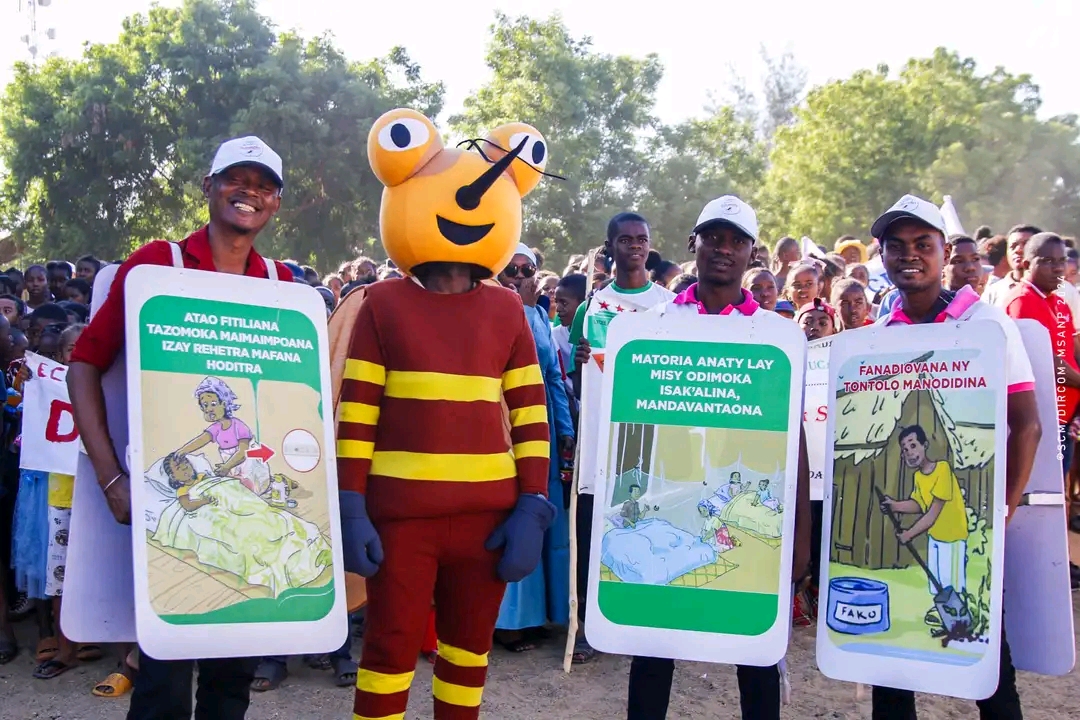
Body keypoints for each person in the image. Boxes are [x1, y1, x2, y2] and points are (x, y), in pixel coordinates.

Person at [333, 110, 555, 720]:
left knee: (469, 652)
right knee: (390, 647)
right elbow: (359, 413)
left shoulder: (509, 311)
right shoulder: (380, 304)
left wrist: (534, 505)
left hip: (488, 519)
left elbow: (530, 413)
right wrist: (351, 505)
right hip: (401, 519)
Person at [67, 135, 291, 720]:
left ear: (276, 204)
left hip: (241, 504)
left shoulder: (281, 283)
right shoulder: (156, 264)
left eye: (264, 185)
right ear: (209, 187)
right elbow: (84, 366)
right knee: (162, 682)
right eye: (236, 179)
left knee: (230, 683)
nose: (250, 193)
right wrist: (111, 477)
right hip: (167, 498)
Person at [628, 195, 811, 720]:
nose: (723, 249)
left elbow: (792, 437)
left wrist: (799, 536)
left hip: (745, 505)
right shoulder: (655, 324)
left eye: (736, 240)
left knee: (751, 649)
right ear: (694, 244)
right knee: (654, 646)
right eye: (713, 237)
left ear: (752, 252)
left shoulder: (778, 336)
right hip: (670, 503)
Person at [868, 194, 1041, 720]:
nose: (909, 256)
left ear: (945, 253)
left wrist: (1006, 508)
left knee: (985, 656)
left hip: (969, 533)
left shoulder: (986, 324)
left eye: (923, 244)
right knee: (892, 660)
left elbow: (1027, 424)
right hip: (927, 538)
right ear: (883, 257)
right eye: (895, 247)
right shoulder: (877, 337)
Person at [568, 211, 675, 664]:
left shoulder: (671, 304)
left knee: (646, 525)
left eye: (642, 239)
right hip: (599, 443)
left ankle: (644, 622)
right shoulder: (591, 307)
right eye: (626, 239)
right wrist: (580, 362)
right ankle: (593, 628)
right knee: (596, 530)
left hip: (652, 440)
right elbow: (577, 382)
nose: (635, 246)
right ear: (609, 247)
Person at [494, 245, 575, 653]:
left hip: (540, 430)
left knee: (546, 520)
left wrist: (564, 428)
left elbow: (553, 377)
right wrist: (522, 308)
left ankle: (542, 613)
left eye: (528, 269)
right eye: (511, 267)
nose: (519, 274)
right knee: (514, 519)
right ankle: (509, 622)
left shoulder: (542, 315)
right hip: (505, 433)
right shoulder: (491, 310)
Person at [1002, 233, 1080, 481]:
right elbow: (1044, 361)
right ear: (1026, 264)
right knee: (1043, 500)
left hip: (1064, 421)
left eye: (1062, 260)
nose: (1058, 267)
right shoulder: (1021, 301)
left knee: (1057, 502)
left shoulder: (1059, 302)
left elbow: (1071, 353)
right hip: (1042, 423)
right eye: (1047, 261)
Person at [982, 225, 1080, 333]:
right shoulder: (993, 291)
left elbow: (1074, 337)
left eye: (1025, 244)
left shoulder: (1066, 291)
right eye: (1013, 246)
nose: (1018, 250)